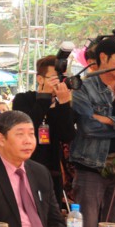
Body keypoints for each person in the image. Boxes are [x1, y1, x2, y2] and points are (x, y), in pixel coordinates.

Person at [70, 38, 115, 227]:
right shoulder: (82, 88)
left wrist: (109, 120)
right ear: (103, 57)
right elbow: (89, 127)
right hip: (91, 166)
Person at [13, 55, 76, 206]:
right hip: (26, 168)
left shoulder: (62, 103)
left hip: (53, 170)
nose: (59, 82)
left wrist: (64, 104)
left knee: (52, 213)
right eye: (54, 78)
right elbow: (26, 126)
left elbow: (67, 136)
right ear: (40, 79)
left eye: (62, 78)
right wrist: (44, 97)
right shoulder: (23, 99)